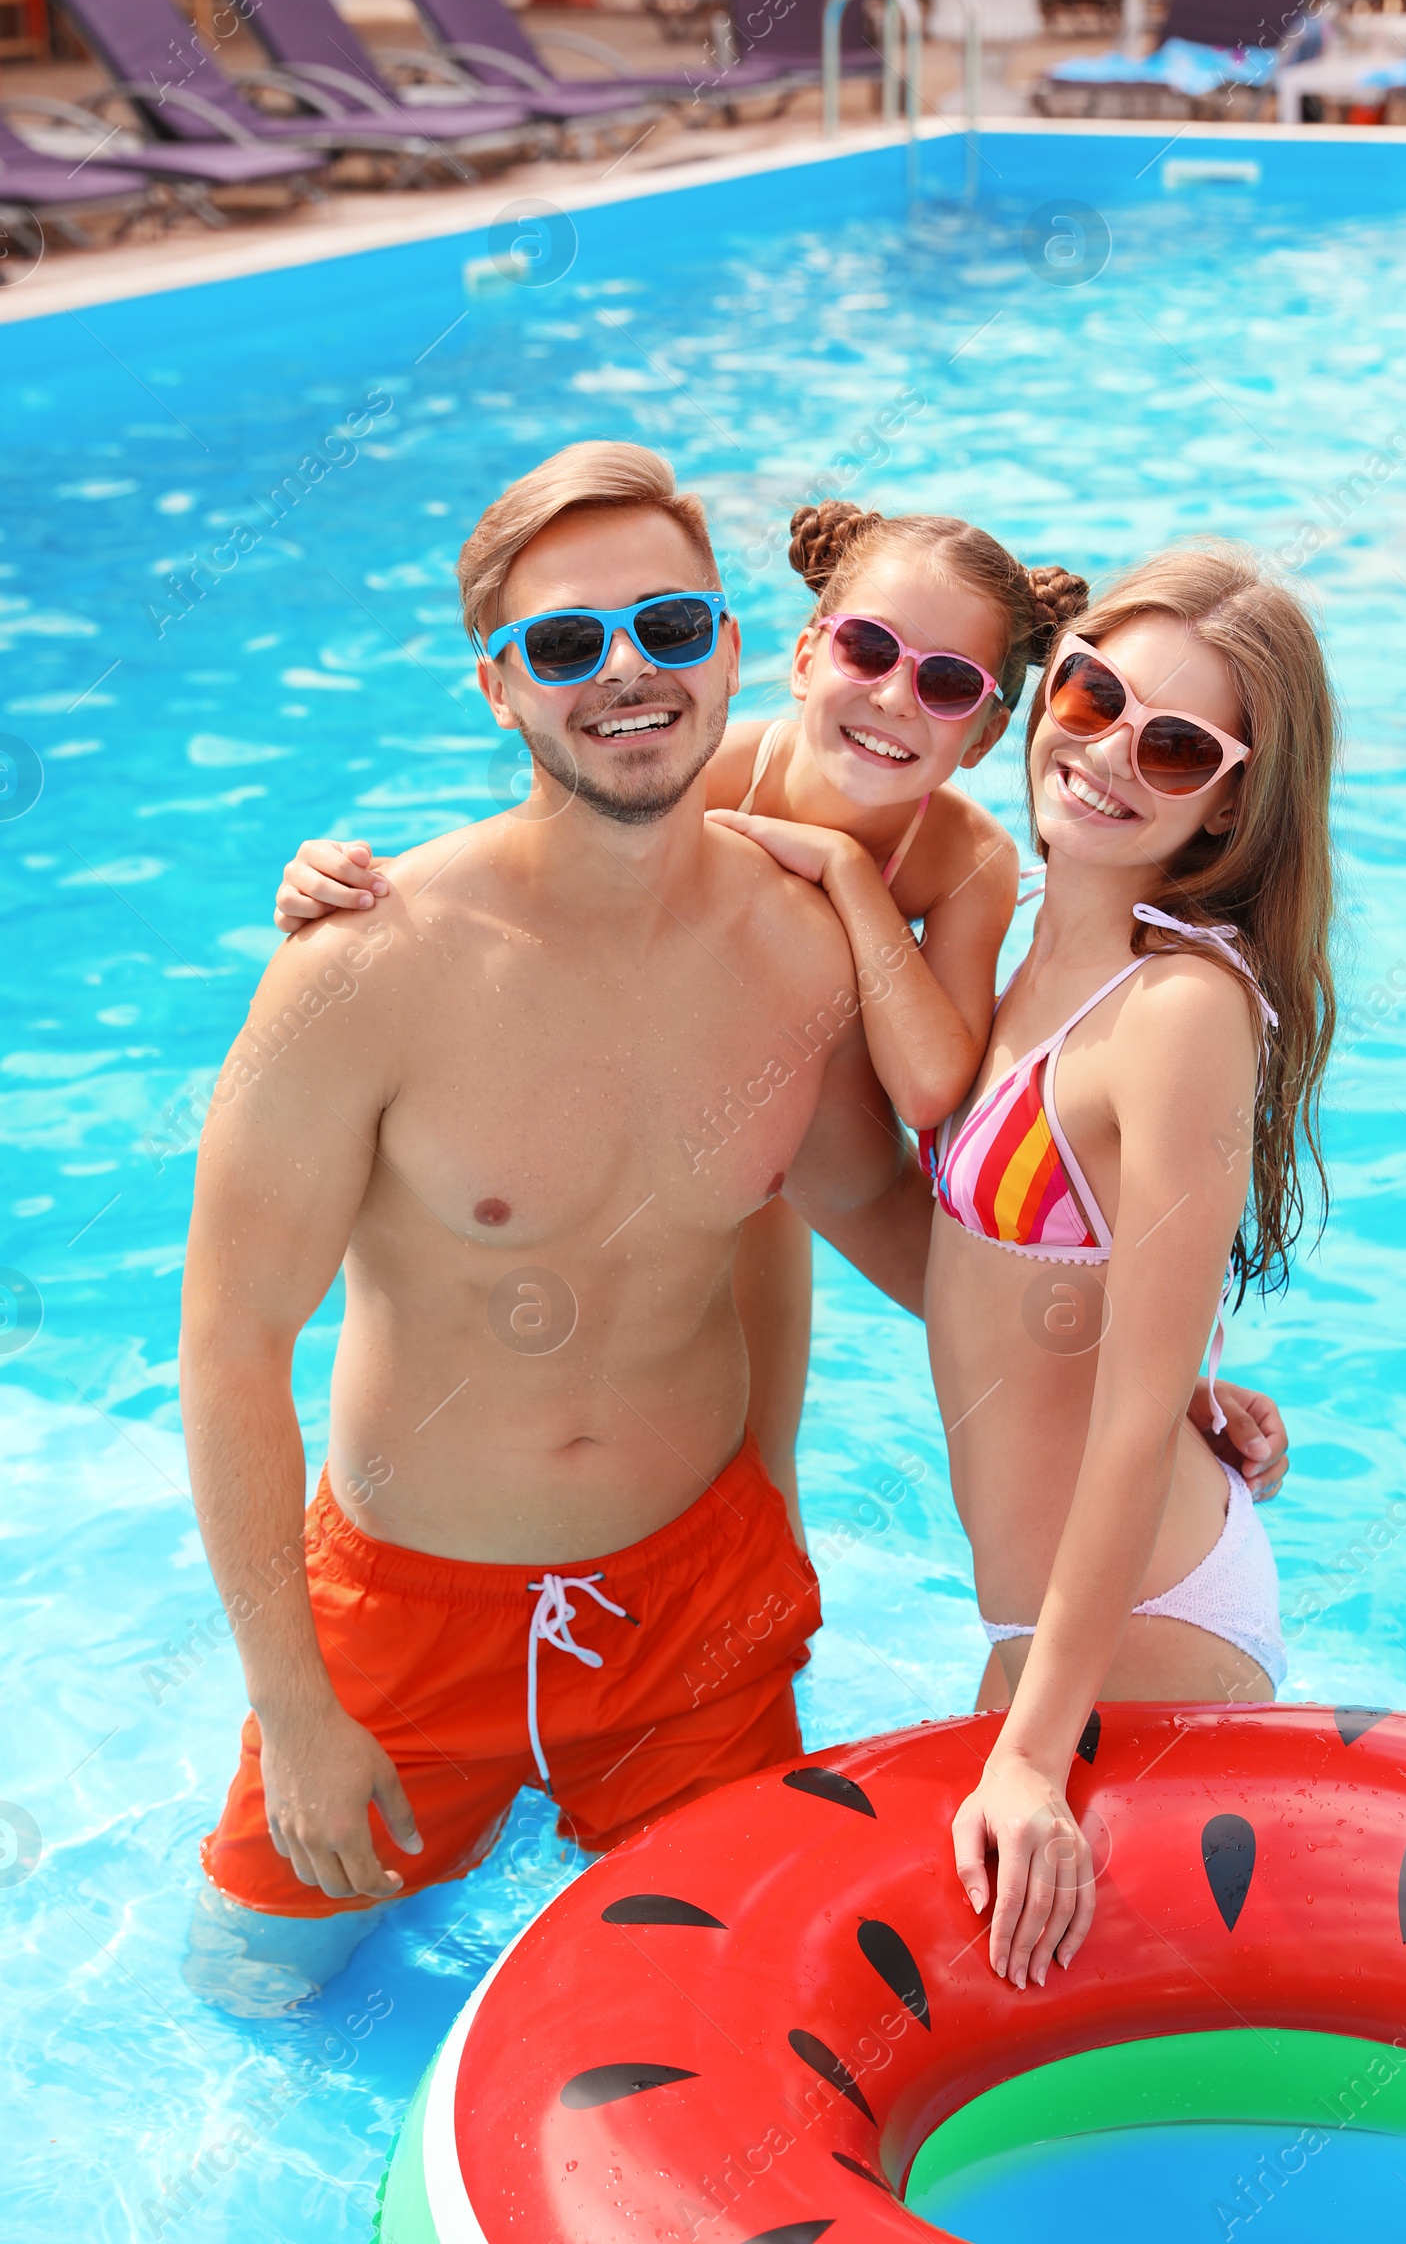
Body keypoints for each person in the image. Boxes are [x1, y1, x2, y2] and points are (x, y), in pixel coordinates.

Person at [179, 441, 931, 2014]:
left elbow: (839, 1210)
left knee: (743, 2006)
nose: (627, 674)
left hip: (697, 1615)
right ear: (499, 691)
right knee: (257, 1992)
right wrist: (294, 1705)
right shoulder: (363, 968)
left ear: (730, 648)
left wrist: (1155, 1360)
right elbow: (234, 1342)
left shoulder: (800, 945)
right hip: (403, 1620)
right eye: (566, 644)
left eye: (668, 625)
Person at [276, 501, 1290, 1530]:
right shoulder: (699, 776)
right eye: (868, 649)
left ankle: (1165, 1415)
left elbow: (935, 1092)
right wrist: (359, 876)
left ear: (987, 732)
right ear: (807, 654)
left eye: (945, 684)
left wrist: (848, 878)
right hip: (696, 1133)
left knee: (866, 1431)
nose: (896, 697)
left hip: (835, 1165)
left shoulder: (962, 860)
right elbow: (523, 867)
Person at [915, 546, 1334, 1987]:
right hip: (1050, 1612)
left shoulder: (1179, 1012)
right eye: (1090, 693)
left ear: (1230, 798)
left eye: (1170, 746)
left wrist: (1034, 1751)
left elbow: (1132, 1401)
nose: (1102, 755)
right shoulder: (1016, 944)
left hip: (1138, 1623)